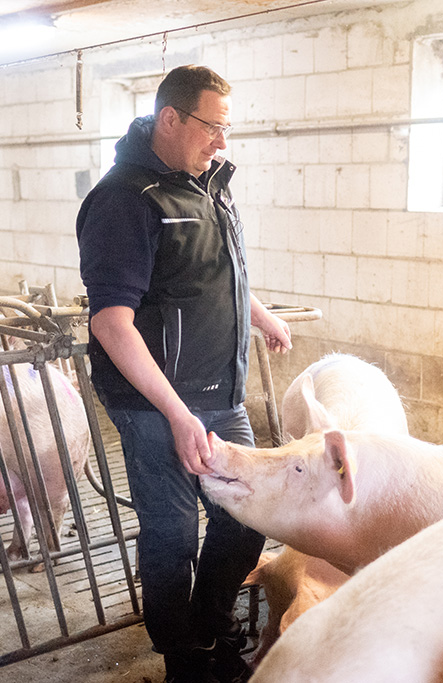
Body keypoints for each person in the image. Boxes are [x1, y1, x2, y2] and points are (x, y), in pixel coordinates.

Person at [75, 65, 292, 683]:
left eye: (227, 128)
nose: (222, 142)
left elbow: (208, 273)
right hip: (154, 407)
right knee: (172, 533)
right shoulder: (124, 201)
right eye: (212, 127)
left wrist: (261, 315)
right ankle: (185, 659)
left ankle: (209, 626)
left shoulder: (209, 185)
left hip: (221, 394)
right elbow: (112, 324)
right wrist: (175, 414)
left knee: (247, 514)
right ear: (170, 119)